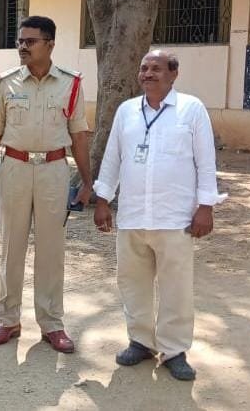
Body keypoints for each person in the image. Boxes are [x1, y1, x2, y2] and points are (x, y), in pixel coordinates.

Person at [93, 50, 226, 381]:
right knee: (132, 282)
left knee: (175, 287)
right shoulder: (127, 111)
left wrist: (205, 207)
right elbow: (112, 157)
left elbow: (205, 161)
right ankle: (140, 341)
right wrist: (102, 200)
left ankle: (175, 350)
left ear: (173, 74)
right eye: (144, 68)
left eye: (156, 68)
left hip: (174, 217)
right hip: (133, 215)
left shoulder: (191, 109)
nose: (148, 73)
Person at [0, 15, 92, 353]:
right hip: (14, 167)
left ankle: (52, 324)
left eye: (31, 41)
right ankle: (8, 320)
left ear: (50, 44)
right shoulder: (6, 82)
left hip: (54, 170)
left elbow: (79, 135)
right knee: (11, 246)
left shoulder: (70, 84)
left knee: (51, 250)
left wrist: (87, 182)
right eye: (20, 41)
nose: (23, 47)